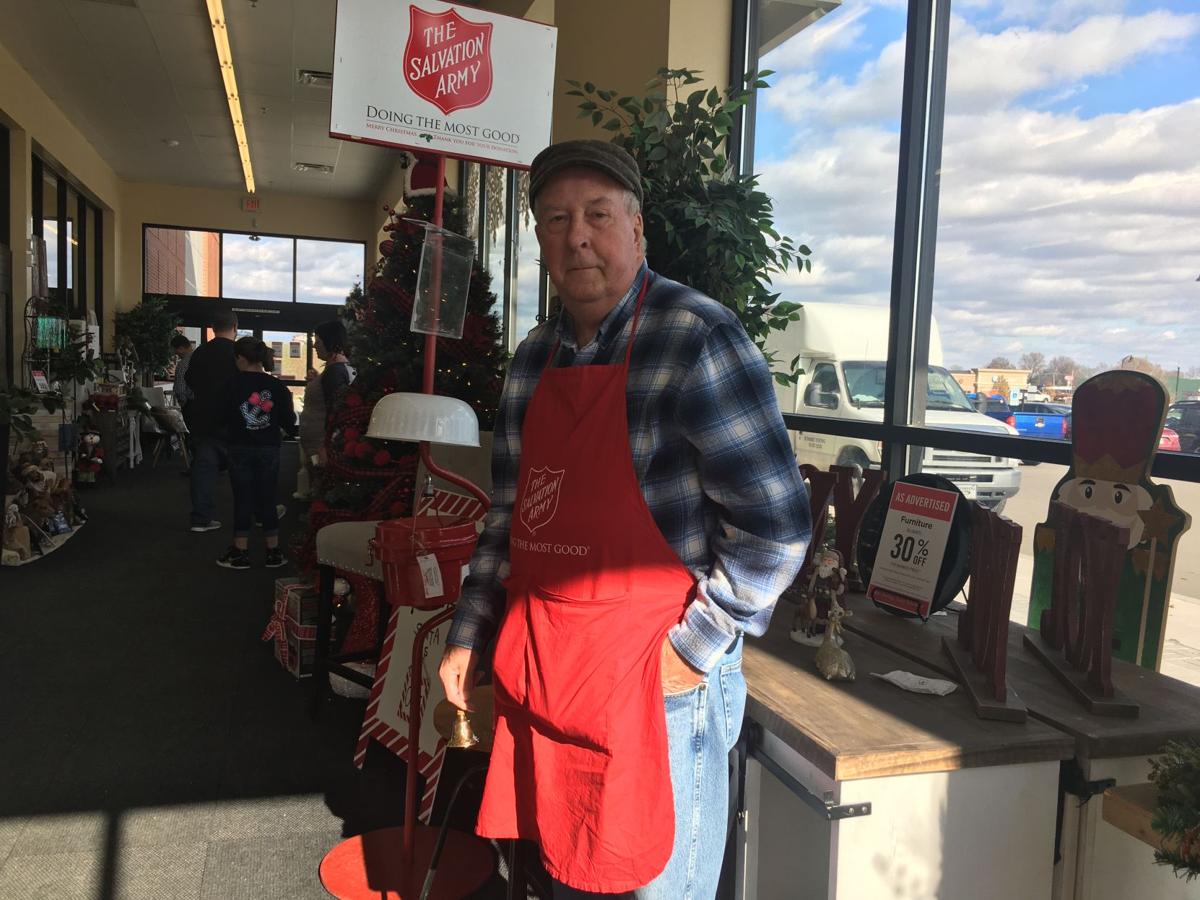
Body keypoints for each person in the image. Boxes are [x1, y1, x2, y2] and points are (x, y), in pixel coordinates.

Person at [438, 140, 811, 899]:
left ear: (637, 231)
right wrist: (470, 632)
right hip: (545, 672)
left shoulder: (697, 339)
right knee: (551, 878)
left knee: (652, 886)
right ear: (540, 240)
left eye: (598, 215)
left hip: (655, 686)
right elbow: (507, 517)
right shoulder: (532, 359)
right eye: (555, 219)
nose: (576, 235)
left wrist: (693, 652)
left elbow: (776, 527)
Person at [216, 337, 296, 570]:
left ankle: (240, 552)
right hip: (269, 448)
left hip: (239, 447)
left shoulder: (231, 385)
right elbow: (289, 421)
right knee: (268, 498)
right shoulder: (277, 387)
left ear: (240, 358)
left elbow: (219, 418)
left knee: (243, 498)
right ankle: (273, 551)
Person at [184, 311, 239, 532]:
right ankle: (258, 513)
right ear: (234, 327)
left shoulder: (200, 352)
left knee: (203, 469)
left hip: (202, 418)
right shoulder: (237, 352)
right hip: (232, 419)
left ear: (213, 328)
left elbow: (189, 380)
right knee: (245, 467)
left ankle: (201, 518)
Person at [295, 320, 353, 499]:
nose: (314, 346)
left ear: (331, 342)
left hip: (322, 445)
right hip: (319, 443)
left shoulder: (335, 371)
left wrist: (325, 446)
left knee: (323, 487)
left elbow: (336, 411)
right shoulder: (335, 369)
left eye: (318, 342)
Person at [170, 333, 195, 410]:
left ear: (181, 348)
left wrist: (183, 404)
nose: (177, 355)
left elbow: (179, 389)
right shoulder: (201, 358)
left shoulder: (183, 364)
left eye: (176, 352)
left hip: (190, 404)